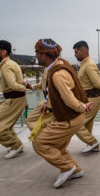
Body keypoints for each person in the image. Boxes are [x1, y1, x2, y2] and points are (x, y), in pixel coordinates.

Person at [32, 39, 92, 188]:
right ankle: (76, 170)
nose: (35, 56)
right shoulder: (60, 64)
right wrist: (48, 104)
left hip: (69, 118)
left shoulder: (57, 74)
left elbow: (70, 100)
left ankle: (67, 167)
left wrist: (83, 107)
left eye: (36, 53)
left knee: (39, 143)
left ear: (43, 55)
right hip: (69, 116)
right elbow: (59, 93)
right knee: (58, 147)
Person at [0, 40, 27, 159]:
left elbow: (13, 85)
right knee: (6, 125)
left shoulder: (6, 66)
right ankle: (17, 145)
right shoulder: (11, 63)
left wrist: (25, 87)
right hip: (14, 99)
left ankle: (15, 145)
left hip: (13, 99)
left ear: (4, 52)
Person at [73, 41, 100, 153]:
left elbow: (98, 85)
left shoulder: (89, 65)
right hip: (88, 98)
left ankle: (93, 142)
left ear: (83, 51)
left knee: (77, 123)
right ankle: (92, 145)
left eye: (76, 52)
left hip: (93, 98)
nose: (75, 55)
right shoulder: (84, 64)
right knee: (88, 124)